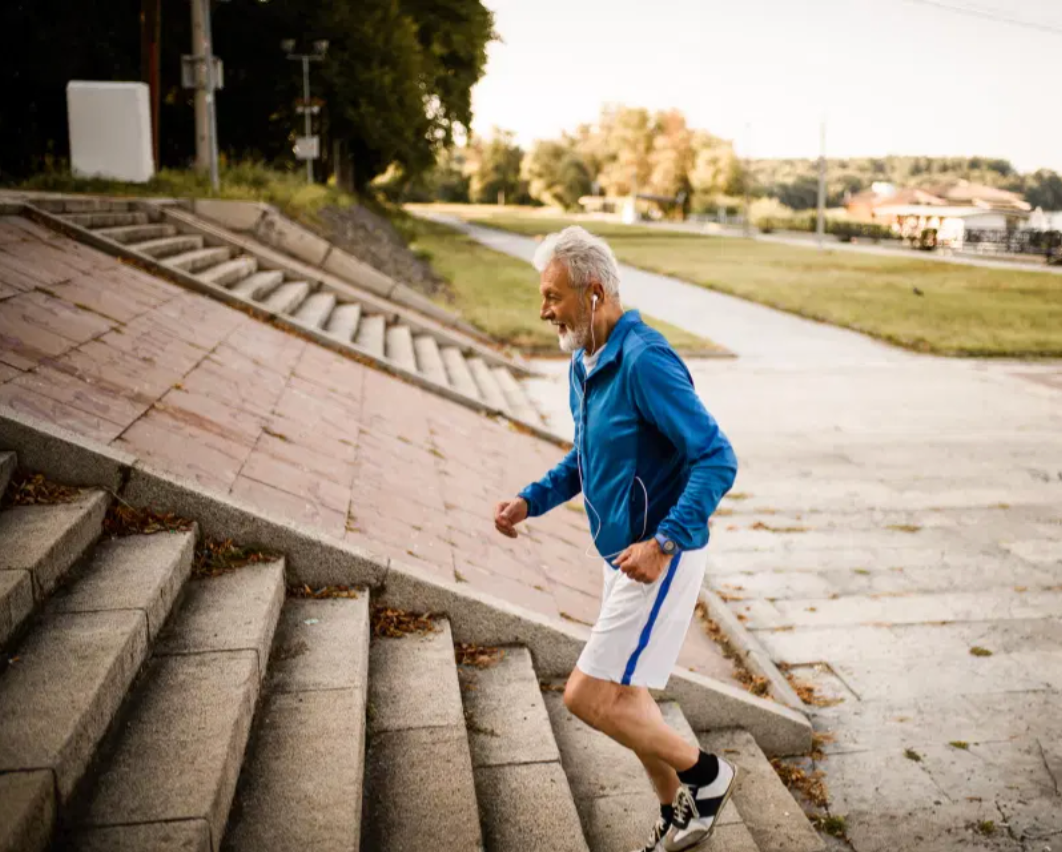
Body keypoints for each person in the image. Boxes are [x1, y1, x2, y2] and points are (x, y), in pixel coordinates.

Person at [494, 226, 740, 852]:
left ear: (594, 292)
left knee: (588, 695)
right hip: (621, 557)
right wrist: (531, 500)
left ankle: (707, 776)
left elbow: (717, 457)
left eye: (553, 296)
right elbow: (586, 457)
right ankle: (676, 810)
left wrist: (664, 543)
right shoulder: (585, 362)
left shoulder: (644, 362)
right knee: (626, 696)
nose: (543, 310)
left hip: (659, 557)